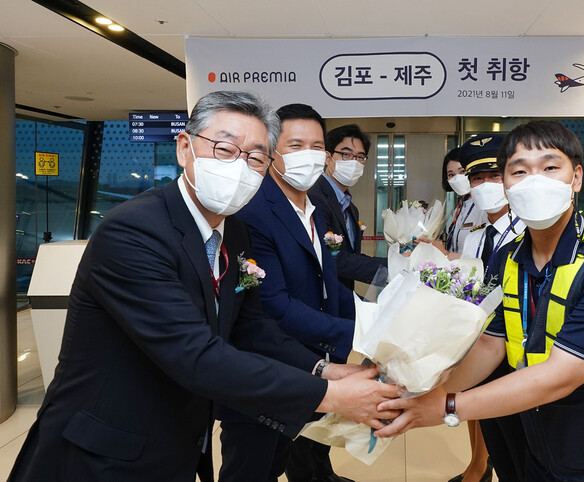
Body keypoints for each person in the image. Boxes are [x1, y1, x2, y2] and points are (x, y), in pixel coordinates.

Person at [8, 91, 399, 482]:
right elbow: (194, 353)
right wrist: (328, 396)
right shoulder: (134, 230)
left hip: (175, 440)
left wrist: (322, 370)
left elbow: (250, 327)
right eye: (226, 149)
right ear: (184, 148)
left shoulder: (235, 233)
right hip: (102, 451)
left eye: (256, 158)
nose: (242, 167)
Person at [376, 121, 584, 481]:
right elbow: (492, 344)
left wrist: (446, 406)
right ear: (506, 185)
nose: (535, 181)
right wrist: (423, 390)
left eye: (551, 167)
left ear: (577, 177)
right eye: (519, 171)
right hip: (543, 436)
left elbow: (563, 374)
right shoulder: (507, 258)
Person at [218, 104, 357, 482]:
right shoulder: (254, 210)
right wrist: (358, 333)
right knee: (251, 468)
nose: (307, 155)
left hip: (307, 367)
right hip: (265, 369)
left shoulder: (316, 211)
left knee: (282, 461)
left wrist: (371, 319)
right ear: (272, 152)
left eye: (316, 146)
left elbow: (330, 283)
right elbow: (273, 303)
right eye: (296, 144)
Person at [452, 134, 526, 482]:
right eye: (477, 178)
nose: (485, 185)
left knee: (522, 437)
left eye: (494, 176)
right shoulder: (475, 237)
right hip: (481, 344)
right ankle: (479, 467)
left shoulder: (531, 230)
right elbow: (468, 290)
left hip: (520, 352)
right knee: (484, 418)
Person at [309, 123, 388, 291]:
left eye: (360, 157)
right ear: (327, 157)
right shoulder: (315, 198)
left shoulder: (352, 209)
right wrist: (393, 267)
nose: (354, 162)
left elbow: (352, 258)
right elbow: (331, 258)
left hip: (342, 294)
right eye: (346, 154)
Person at [441, 146, 487, 256]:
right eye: (451, 174)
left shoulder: (483, 204)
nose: (457, 178)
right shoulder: (461, 205)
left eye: (462, 172)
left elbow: (482, 255)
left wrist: (444, 253)